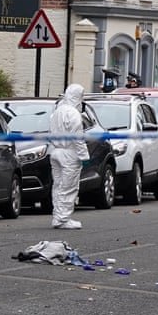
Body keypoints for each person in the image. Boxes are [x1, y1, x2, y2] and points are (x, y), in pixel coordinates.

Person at [49, 84, 90, 229]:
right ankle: (63, 218)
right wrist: (84, 157)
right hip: (69, 153)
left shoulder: (57, 111)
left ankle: (57, 215)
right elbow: (78, 138)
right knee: (69, 187)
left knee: (58, 186)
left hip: (55, 151)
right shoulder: (73, 113)